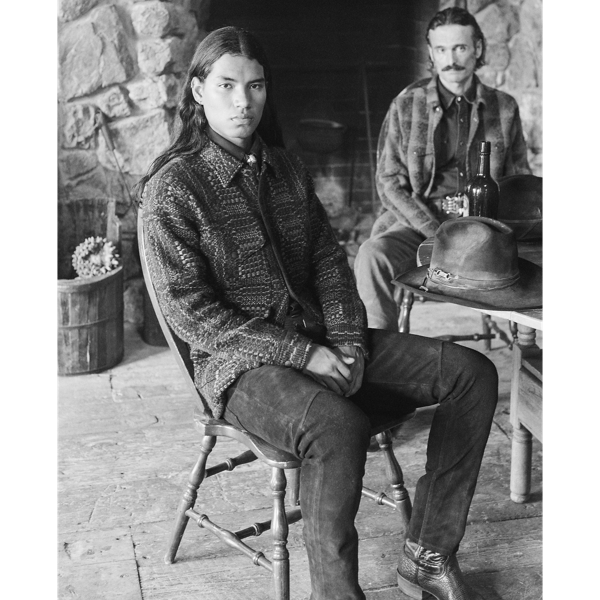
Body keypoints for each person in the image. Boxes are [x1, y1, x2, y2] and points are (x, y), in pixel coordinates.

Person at [138, 26, 498, 600]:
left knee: (472, 373)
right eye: (227, 85)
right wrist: (302, 353)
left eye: (255, 86)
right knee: (338, 425)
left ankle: (427, 555)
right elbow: (191, 315)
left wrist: (348, 343)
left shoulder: (284, 168)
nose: (243, 101)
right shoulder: (174, 188)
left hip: (324, 340)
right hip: (240, 368)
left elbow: (330, 263)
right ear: (199, 90)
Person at [354, 7, 531, 331]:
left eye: (460, 48)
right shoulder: (406, 104)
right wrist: (435, 231)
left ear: (477, 48)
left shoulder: (504, 107)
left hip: (484, 227)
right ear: (431, 54)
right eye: (441, 49)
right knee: (372, 255)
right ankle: (381, 350)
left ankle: (528, 344)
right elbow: (389, 181)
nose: (451, 59)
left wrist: (494, 231)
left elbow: (519, 180)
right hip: (421, 224)